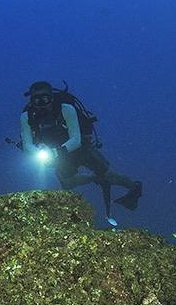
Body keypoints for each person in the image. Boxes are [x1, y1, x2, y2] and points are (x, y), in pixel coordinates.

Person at [19, 81, 142, 216]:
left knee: (110, 176)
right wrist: (40, 152)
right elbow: (27, 145)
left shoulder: (66, 109)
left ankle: (135, 188)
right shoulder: (27, 116)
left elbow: (76, 139)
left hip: (81, 149)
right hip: (59, 154)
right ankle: (95, 178)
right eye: (36, 100)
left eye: (45, 98)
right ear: (31, 100)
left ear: (52, 97)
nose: (41, 103)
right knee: (67, 183)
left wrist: (56, 152)